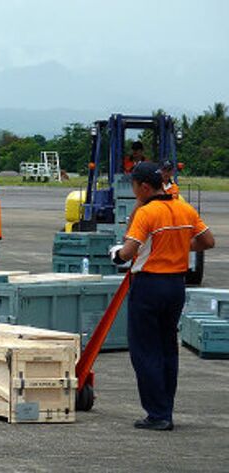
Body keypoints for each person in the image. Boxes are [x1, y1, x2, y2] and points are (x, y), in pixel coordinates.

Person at [109, 161, 214, 431]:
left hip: (148, 285)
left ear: (144, 187)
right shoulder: (184, 208)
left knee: (145, 350)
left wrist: (117, 254)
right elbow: (208, 241)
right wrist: (180, 245)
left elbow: (130, 250)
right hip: (176, 286)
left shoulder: (147, 213)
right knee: (168, 348)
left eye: (134, 187)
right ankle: (165, 407)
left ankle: (157, 413)